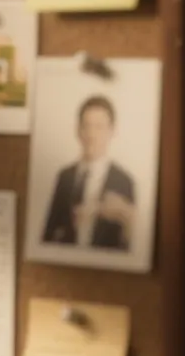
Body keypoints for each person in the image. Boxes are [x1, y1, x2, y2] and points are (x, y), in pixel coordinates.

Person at [41, 96, 137, 249]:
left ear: (112, 131)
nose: (91, 135)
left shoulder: (124, 181)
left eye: (99, 127)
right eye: (86, 126)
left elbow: (129, 244)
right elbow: (48, 235)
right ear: (78, 130)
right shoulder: (64, 177)